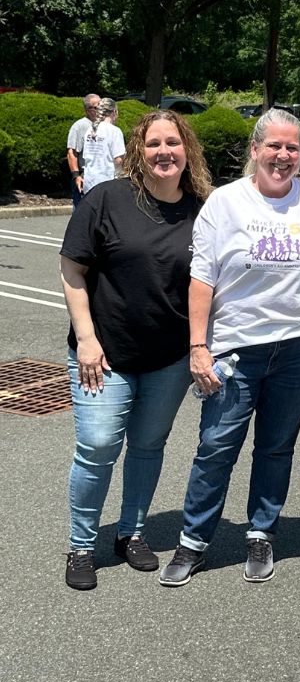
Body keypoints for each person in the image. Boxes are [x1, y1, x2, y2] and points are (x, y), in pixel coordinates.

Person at [159, 108, 300, 588]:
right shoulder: (225, 203)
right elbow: (202, 278)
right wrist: (198, 346)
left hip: (299, 346)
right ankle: (193, 541)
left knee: (276, 447)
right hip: (236, 349)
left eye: (292, 147)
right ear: (255, 150)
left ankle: (261, 532)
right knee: (216, 447)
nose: (283, 155)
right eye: (274, 146)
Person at [61, 110, 212, 590]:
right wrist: (87, 339)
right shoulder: (107, 198)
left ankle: (131, 532)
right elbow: (72, 270)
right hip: (104, 353)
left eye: (173, 142)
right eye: (153, 144)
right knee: (98, 445)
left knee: (148, 446)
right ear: (137, 152)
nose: (164, 152)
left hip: (169, 358)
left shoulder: (204, 209)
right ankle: (81, 546)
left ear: (187, 149)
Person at [81, 97, 126, 195]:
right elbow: (119, 160)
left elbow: (86, 156)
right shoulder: (114, 131)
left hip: (89, 181)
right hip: (106, 182)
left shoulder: (89, 130)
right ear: (114, 112)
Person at [67, 93, 100, 208]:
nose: (101, 109)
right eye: (97, 107)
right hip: (84, 176)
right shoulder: (79, 126)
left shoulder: (103, 126)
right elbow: (72, 153)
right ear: (88, 110)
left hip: (99, 176)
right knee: (81, 212)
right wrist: (76, 176)